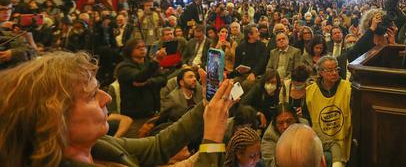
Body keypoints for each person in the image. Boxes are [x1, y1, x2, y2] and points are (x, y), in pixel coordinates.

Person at [0, 51, 237, 166]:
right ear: (54, 116)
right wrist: (213, 138)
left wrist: (205, 107)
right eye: (92, 95)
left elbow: (158, 146)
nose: (106, 99)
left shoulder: (99, 146)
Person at [305, 56, 351, 164]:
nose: (334, 73)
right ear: (320, 72)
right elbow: (307, 120)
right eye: (330, 70)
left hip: (345, 142)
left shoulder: (348, 88)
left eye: (336, 69)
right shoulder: (310, 92)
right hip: (322, 145)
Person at [116, 38, 167, 123]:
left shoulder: (149, 63)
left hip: (153, 110)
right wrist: (156, 60)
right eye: (138, 47)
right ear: (130, 50)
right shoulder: (124, 67)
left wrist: (148, 82)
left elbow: (163, 80)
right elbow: (139, 77)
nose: (142, 49)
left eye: (143, 46)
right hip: (135, 114)